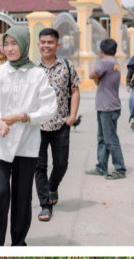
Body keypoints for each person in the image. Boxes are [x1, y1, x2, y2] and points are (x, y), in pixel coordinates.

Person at [0, 25, 57, 246]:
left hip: (26, 144)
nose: (10, 48)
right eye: (6, 44)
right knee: (0, 192)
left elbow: (50, 108)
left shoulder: (37, 74)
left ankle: (18, 243)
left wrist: (24, 117)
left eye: (14, 43)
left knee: (22, 197)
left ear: (23, 45)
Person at [35, 28, 81, 222]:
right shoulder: (32, 70)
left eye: (50, 42)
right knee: (39, 166)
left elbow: (75, 90)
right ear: (38, 45)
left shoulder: (67, 66)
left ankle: (53, 186)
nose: (46, 45)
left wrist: (72, 116)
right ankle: (45, 205)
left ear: (57, 45)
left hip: (62, 123)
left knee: (61, 164)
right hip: (37, 126)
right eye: (43, 42)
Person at [88, 39, 127, 179]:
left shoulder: (104, 62)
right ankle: (101, 167)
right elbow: (99, 79)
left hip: (107, 108)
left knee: (110, 140)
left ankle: (120, 169)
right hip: (109, 106)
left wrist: (94, 76)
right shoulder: (115, 62)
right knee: (103, 139)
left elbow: (92, 75)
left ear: (101, 51)